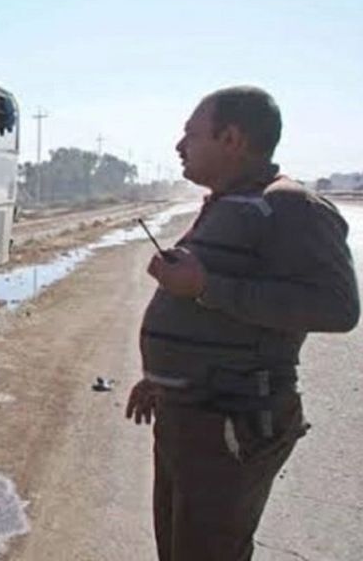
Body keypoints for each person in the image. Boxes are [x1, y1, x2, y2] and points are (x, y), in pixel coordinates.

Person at [124, 86, 359, 561]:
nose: (179, 145)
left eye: (191, 134)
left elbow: (338, 308)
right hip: (187, 416)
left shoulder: (290, 206)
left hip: (230, 424)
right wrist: (159, 379)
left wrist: (206, 285)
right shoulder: (228, 203)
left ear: (231, 138)